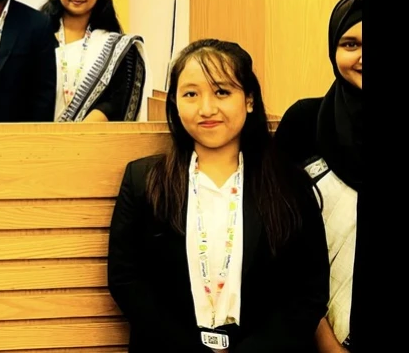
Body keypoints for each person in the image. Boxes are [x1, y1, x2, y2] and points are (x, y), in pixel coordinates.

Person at [108, 39, 328, 352]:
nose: (206, 109)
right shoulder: (144, 180)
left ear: (249, 99)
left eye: (222, 92)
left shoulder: (289, 185)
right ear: (175, 102)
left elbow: (309, 289)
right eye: (191, 94)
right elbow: (126, 279)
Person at [275, 0, 362, 352]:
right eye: (350, 44)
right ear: (332, 50)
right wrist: (325, 343)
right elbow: (279, 237)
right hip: (314, 335)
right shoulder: (304, 123)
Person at [40, 0, 148, 122]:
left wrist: (80, 132)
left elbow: (115, 100)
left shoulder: (114, 46)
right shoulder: (37, 35)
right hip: (36, 132)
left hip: (91, 133)